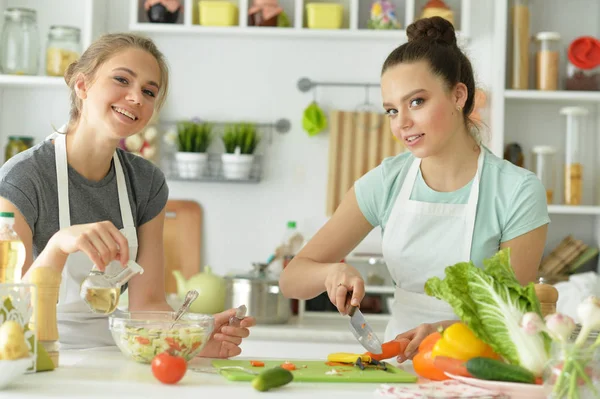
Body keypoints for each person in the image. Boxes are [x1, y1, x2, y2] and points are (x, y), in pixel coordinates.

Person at [279, 17, 549, 363]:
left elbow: (513, 317)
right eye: (392, 110)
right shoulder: (385, 182)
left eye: (416, 102)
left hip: (481, 371)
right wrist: (331, 272)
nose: (401, 123)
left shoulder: (517, 191)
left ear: (458, 95)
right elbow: (292, 280)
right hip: (399, 366)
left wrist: (445, 332)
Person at [0, 33, 255, 354]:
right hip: (37, 354)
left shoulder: (146, 181)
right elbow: (10, 307)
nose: (137, 97)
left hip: (115, 352)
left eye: (149, 92)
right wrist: (59, 245)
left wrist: (196, 337)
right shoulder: (24, 176)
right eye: (122, 79)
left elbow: (146, 304)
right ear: (82, 86)